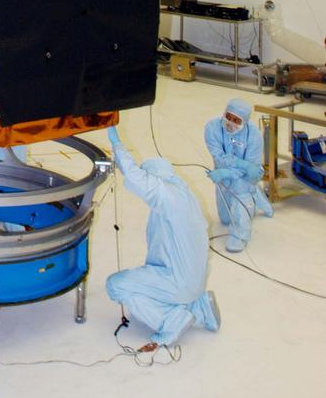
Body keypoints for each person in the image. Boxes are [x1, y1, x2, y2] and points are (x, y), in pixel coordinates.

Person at [106, 127, 220, 350]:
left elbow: (138, 179)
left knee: (116, 286)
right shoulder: (184, 196)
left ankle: (171, 321)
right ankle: (198, 306)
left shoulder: (168, 196)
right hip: (192, 280)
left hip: (177, 281)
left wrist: (117, 146)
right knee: (147, 281)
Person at [205, 97, 273, 252]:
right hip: (223, 173)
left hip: (248, 175)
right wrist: (238, 166)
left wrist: (241, 168)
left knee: (241, 192)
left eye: (236, 120)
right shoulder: (212, 128)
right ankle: (254, 193)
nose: (230, 123)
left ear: (245, 121)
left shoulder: (254, 136)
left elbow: (251, 167)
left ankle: (240, 237)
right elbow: (219, 157)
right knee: (226, 219)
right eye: (228, 117)